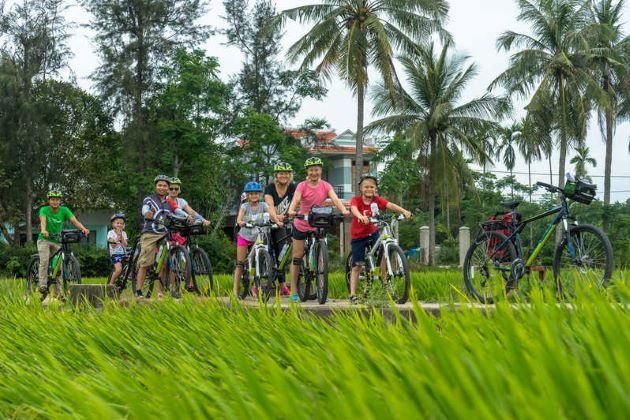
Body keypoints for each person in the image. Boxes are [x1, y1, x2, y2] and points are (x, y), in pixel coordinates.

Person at [287, 157, 350, 302]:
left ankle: (322, 291)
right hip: (302, 222)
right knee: (297, 256)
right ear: (307, 172)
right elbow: (296, 200)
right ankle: (294, 291)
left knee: (322, 258)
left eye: (316, 170)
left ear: (320, 170)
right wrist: (291, 210)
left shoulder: (326, 185)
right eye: (311, 170)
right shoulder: (302, 186)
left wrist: (343, 210)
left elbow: (335, 199)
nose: (314, 172)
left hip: (317, 222)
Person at [348, 175, 412, 304]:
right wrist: (360, 216)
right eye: (366, 187)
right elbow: (353, 209)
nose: (369, 189)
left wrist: (404, 211)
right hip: (358, 236)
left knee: (383, 254)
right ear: (361, 188)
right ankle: (353, 294)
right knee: (357, 266)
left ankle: (384, 283)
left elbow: (390, 205)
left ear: (375, 188)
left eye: (372, 187)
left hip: (372, 233)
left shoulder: (377, 200)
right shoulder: (356, 200)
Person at [135, 174, 188, 299]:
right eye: (159, 185)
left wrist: (188, 217)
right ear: (155, 186)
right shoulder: (149, 199)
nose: (162, 188)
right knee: (145, 261)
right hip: (150, 233)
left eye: (165, 186)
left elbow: (178, 211)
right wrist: (147, 213)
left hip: (164, 233)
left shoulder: (169, 202)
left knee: (165, 262)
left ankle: (161, 292)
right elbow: (145, 209)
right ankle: (138, 290)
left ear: (168, 188)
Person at [37, 190, 90, 299]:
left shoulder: (64, 210)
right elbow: (43, 222)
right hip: (44, 239)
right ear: (49, 201)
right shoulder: (44, 210)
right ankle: (42, 285)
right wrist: (43, 230)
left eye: (57, 200)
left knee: (58, 267)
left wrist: (83, 229)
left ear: (60, 201)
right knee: (45, 260)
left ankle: (58, 293)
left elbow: (74, 221)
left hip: (57, 241)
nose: (55, 202)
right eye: (52, 200)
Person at [263, 162, 295, 296]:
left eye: (286, 173)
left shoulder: (293, 187)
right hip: (270, 223)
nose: (284, 176)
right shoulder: (270, 188)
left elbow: (295, 203)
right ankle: (257, 284)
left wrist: (288, 217)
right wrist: (276, 219)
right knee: (268, 253)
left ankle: (282, 285)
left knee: (282, 253)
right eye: (281, 173)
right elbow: (269, 206)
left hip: (283, 223)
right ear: (276, 175)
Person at [233, 181, 268, 298]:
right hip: (244, 235)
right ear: (247, 195)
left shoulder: (263, 205)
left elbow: (271, 214)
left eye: (256, 193)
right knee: (240, 264)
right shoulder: (244, 206)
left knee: (259, 260)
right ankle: (235, 291)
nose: (254, 196)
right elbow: (239, 219)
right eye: (251, 194)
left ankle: (257, 287)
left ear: (260, 195)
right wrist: (242, 222)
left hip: (257, 235)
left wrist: (276, 219)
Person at [107, 213, 128, 286]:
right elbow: (112, 245)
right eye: (117, 223)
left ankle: (126, 277)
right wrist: (117, 237)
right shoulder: (111, 233)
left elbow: (125, 244)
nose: (119, 225)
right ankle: (111, 283)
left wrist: (121, 236)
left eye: (121, 223)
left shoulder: (124, 233)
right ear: (113, 224)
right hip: (115, 254)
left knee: (132, 262)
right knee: (118, 269)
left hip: (124, 254)